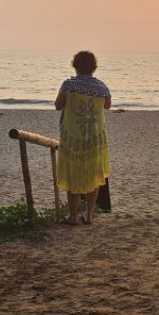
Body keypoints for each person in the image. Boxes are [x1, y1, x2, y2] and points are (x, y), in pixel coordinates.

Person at [54, 51, 112, 225]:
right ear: (94, 67)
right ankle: (88, 214)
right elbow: (107, 105)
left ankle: (72, 216)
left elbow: (58, 106)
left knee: (73, 175)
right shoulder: (101, 87)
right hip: (94, 137)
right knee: (93, 175)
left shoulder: (69, 85)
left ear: (75, 65)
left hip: (73, 136)